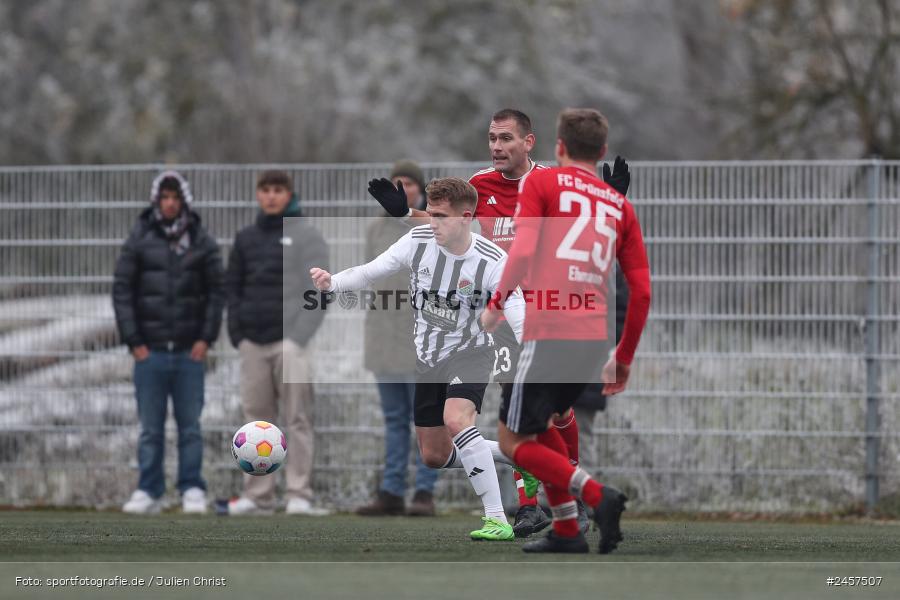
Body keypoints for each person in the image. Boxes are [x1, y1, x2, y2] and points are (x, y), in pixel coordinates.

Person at [367, 109, 631, 537]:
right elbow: (449, 227)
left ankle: (573, 495)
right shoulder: (478, 187)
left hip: (544, 310)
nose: (496, 147)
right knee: (514, 414)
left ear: (529, 143)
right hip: (496, 318)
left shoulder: (551, 185)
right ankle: (530, 507)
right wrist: (407, 212)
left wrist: (610, 204)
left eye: (506, 138)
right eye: (492, 138)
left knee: (557, 412)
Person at [311, 177, 526, 541]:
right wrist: (333, 282)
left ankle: (497, 519)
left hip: (472, 353)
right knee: (434, 456)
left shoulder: (491, 260)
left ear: (466, 216)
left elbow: (516, 305)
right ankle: (521, 457)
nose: (432, 222)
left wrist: (530, 349)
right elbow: (370, 271)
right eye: (431, 212)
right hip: (428, 360)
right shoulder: (417, 241)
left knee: (457, 420)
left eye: (441, 216)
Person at [482, 108, 652, 554]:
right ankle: (566, 531)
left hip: (551, 327)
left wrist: (496, 305)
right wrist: (625, 356)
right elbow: (642, 292)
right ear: (601, 152)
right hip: (593, 338)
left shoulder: (541, 182)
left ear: (557, 147)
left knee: (512, 440)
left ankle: (597, 496)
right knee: (543, 429)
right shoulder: (620, 204)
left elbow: (521, 250)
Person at [113, 170, 224, 515]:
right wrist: (134, 341)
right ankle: (149, 491)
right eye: (165, 198)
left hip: (190, 354)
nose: (171, 204)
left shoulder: (202, 242)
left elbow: (216, 293)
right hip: (150, 353)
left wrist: (206, 337)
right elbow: (122, 291)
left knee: (190, 427)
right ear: (156, 201)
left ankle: (192, 488)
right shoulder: (139, 240)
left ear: (185, 201)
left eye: (176, 198)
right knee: (150, 429)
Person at [225, 170, 330, 516]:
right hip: (252, 343)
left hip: (290, 344)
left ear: (289, 194)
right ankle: (259, 497)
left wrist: (298, 338)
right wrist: (238, 335)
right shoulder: (245, 238)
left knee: (297, 418)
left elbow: (320, 292)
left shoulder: (307, 235)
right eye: (265, 190)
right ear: (258, 195)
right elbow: (233, 290)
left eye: (277, 190)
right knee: (255, 422)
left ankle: (299, 494)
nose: (271, 196)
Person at [356, 160, 440, 517]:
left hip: (420, 336)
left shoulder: (430, 224)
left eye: (407, 183)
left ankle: (424, 491)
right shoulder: (375, 229)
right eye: (395, 183)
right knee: (394, 418)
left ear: (420, 188)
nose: (401, 188)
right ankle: (391, 490)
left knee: (426, 418)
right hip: (383, 338)